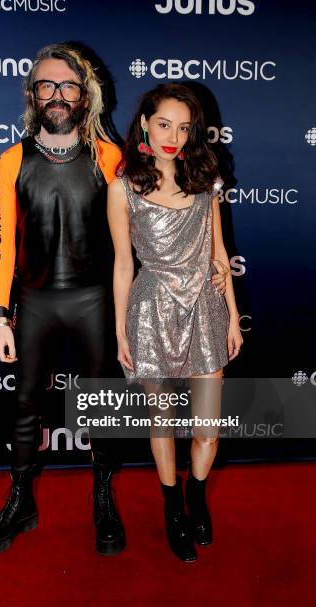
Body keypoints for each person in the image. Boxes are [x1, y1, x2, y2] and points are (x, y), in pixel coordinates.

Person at [0, 43, 126, 557]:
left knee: (105, 406)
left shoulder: (110, 156)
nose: (57, 94)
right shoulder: (11, 160)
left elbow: (131, 243)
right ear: (32, 94)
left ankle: (102, 500)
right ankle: (20, 501)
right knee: (24, 406)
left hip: (96, 302)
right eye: (46, 84)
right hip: (35, 302)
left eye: (68, 86)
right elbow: (0, 246)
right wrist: (0, 317)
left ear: (85, 96)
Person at [107, 83, 243, 562]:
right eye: (164, 124)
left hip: (205, 306)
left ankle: (197, 495)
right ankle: (171, 505)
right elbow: (124, 264)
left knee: (207, 428)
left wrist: (231, 317)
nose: (174, 136)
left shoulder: (205, 180)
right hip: (150, 310)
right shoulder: (123, 186)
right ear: (144, 121)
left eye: (184, 127)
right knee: (162, 424)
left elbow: (219, 253)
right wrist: (122, 329)